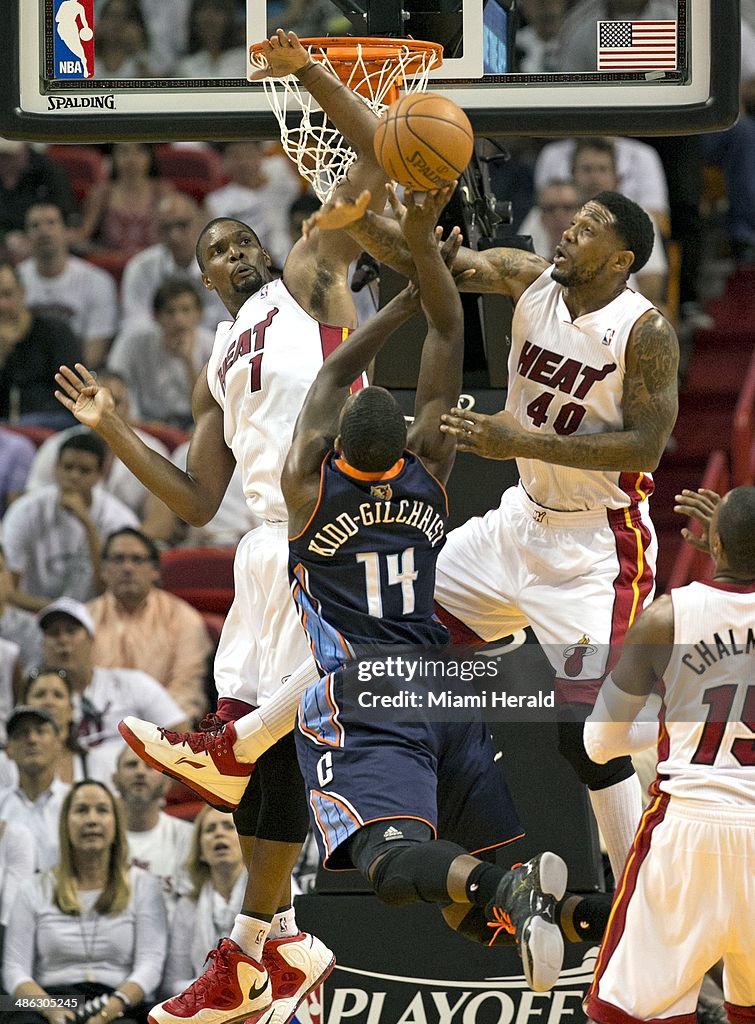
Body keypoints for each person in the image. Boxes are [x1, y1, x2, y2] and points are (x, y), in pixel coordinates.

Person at [53, 27, 393, 1024]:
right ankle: (271, 945)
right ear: (201, 278)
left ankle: (256, 899)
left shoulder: (308, 280)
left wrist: (312, 77)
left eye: (237, 237)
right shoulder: (214, 361)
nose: (232, 250)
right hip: (252, 543)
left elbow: (374, 156)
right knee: (264, 766)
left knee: (248, 744)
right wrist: (115, 427)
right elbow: (190, 502)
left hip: (318, 519)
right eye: (215, 251)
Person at [296, 141, 679, 889]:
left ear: (619, 257)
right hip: (515, 525)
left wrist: (521, 438)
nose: (567, 225)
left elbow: (649, 446)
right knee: (376, 617)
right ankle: (244, 741)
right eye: (571, 217)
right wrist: (360, 219)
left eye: (589, 223)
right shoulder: (527, 277)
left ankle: (642, 897)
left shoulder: (644, 331)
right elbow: (430, 268)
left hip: (596, 549)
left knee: (588, 742)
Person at [581, 485, 755, 1024]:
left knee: (634, 1016)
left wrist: (670, 725)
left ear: (714, 544)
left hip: (685, 836)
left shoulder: (664, 619)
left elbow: (599, 743)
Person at [2, 780, 168, 1024]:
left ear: (116, 823)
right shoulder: (33, 888)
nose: (92, 819)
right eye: (81, 810)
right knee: (8, 1008)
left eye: (102, 810)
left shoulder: (144, 885)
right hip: (53, 1000)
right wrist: (52, 1010)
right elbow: (14, 970)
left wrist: (110, 1009)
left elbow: (151, 964)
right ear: (65, 824)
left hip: (118, 999)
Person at [38, 597, 187, 775]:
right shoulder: (39, 699)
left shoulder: (133, 683)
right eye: (54, 633)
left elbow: (183, 740)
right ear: (42, 645)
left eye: (72, 631)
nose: (63, 640)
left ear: (91, 640)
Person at [25, 373, 177, 544]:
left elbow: (160, 525)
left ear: (129, 408)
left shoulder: (151, 450)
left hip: (125, 552)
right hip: (59, 548)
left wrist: (111, 552)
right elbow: (30, 512)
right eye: (95, 401)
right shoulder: (56, 446)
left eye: (116, 402)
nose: (106, 410)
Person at [2, 432, 139, 609]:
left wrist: (88, 525)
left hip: (97, 616)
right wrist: (58, 613)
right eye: (67, 467)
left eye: (84, 470)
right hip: (32, 612)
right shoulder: (24, 511)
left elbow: (110, 591)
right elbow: (8, 588)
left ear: (100, 475)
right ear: (55, 468)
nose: (74, 476)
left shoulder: (119, 519)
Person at [89, 528, 210, 722]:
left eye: (137, 560)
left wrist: (153, 732)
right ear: (103, 570)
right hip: (96, 731)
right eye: (118, 559)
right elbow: (77, 688)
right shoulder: (85, 619)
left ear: (155, 571)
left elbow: (186, 689)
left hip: (162, 732)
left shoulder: (183, 618)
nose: (127, 568)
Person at [19, 201, 119, 369]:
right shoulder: (13, 280)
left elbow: (96, 348)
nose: (44, 231)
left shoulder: (97, 281)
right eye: (35, 225)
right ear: (26, 236)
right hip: (26, 374)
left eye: (51, 223)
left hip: (77, 375)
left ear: (67, 231)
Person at [107, 279, 215, 429]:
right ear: (156, 316)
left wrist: (188, 361)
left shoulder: (214, 345)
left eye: (185, 310)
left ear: (199, 314)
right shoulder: (134, 342)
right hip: (145, 421)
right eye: (170, 312)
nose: (178, 320)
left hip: (194, 423)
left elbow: (209, 408)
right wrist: (136, 421)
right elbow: (115, 380)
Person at [163, 808, 247, 994]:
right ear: (200, 850)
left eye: (228, 826)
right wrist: (213, 988)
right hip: (203, 1006)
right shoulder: (187, 905)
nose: (219, 833)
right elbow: (173, 982)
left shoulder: (271, 891)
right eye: (210, 829)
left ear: (246, 841)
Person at [119, 191, 227, 335]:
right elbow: (135, 323)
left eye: (182, 225)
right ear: (156, 231)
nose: (174, 236)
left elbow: (230, 322)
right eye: (166, 228)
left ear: (201, 223)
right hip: (157, 348)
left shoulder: (222, 266)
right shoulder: (140, 267)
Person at [111, 746, 193, 913]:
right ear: (115, 780)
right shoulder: (100, 839)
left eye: (150, 766)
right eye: (131, 765)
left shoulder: (188, 837)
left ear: (167, 784)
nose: (140, 772)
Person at [0, 260, 82, 428]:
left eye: (7, 295)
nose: (1, 305)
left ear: (22, 293)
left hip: (52, 424)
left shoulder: (55, 332)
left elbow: (74, 395)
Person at [73, 142, 175, 259]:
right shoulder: (102, 193)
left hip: (154, 267)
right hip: (112, 267)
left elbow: (176, 232)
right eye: (124, 151)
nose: (131, 159)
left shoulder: (163, 191)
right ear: (113, 157)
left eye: (139, 151)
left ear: (150, 156)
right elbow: (82, 235)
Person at [0, 705, 69, 870]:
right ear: (8, 749)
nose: (31, 739)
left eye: (40, 731)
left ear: (58, 744)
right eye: (21, 734)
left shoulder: (74, 802)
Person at [173, 0, 248, 79]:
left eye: (217, 11)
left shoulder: (245, 59)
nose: (209, 18)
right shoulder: (185, 67)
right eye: (202, 10)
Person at [55, 0, 93, 78]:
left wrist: (86, 29)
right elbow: (57, 18)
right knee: (76, 49)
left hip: (70, 27)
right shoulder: (65, 4)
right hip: (65, 27)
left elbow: (84, 21)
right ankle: (84, 66)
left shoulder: (79, 7)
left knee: (79, 50)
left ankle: (85, 68)